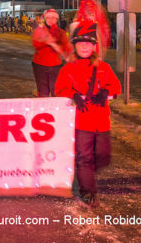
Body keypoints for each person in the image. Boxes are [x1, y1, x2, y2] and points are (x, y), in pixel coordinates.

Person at [54, 20, 121, 207]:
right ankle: (88, 192)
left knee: (103, 156)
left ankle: (87, 172)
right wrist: (73, 95)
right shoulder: (68, 68)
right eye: (80, 43)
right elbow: (60, 89)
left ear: (94, 46)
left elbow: (116, 86)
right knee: (85, 158)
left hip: (101, 122)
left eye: (88, 43)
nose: (84, 46)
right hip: (81, 122)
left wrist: (106, 91)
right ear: (75, 46)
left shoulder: (104, 67)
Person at [31, 9, 72, 97]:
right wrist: (46, 40)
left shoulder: (61, 32)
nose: (51, 20)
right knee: (43, 92)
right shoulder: (39, 30)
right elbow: (36, 44)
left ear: (57, 19)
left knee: (55, 91)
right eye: (48, 18)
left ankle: (54, 110)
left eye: (53, 18)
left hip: (55, 65)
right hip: (40, 65)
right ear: (45, 19)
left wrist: (64, 50)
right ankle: (43, 109)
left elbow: (66, 47)